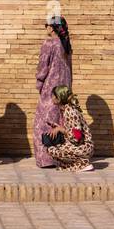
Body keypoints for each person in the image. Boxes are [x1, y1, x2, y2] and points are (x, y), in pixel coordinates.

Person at [32, 14, 73, 168]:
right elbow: (70, 69)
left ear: (52, 27)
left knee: (43, 122)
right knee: (61, 120)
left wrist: (39, 82)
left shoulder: (49, 44)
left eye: (46, 25)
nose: (46, 28)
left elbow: (43, 67)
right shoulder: (66, 44)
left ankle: (46, 159)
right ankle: (61, 157)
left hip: (50, 88)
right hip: (64, 89)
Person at [39, 85, 94, 172]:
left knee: (52, 150)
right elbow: (72, 128)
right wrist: (57, 127)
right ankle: (76, 164)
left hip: (83, 147)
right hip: (79, 145)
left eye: (53, 96)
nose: (52, 98)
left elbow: (77, 137)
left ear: (59, 98)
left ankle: (82, 164)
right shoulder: (66, 109)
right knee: (53, 145)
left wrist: (62, 130)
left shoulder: (70, 111)